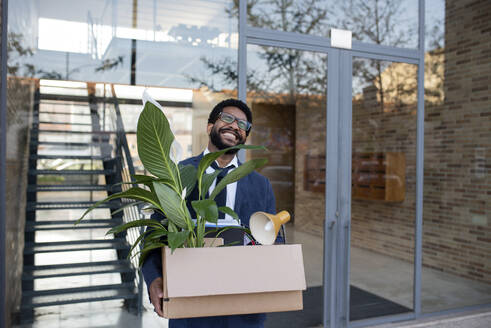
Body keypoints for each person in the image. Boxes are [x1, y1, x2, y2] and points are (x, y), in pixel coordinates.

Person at [141, 98, 277, 328]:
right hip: (190, 310)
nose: (235, 126)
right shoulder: (178, 174)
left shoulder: (260, 185)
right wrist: (154, 278)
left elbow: (272, 243)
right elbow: (153, 235)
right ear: (209, 126)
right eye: (228, 119)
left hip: (243, 313)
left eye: (243, 125)